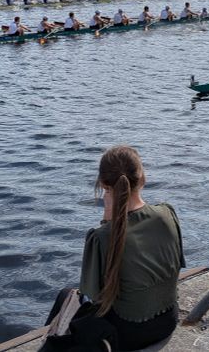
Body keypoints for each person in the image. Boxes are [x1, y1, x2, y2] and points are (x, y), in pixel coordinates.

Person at [51, 146, 183, 351]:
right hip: (167, 321)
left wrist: (107, 218)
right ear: (142, 178)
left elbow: (92, 296)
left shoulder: (101, 237)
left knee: (65, 297)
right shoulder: (167, 214)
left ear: (104, 185)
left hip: (129, 334)